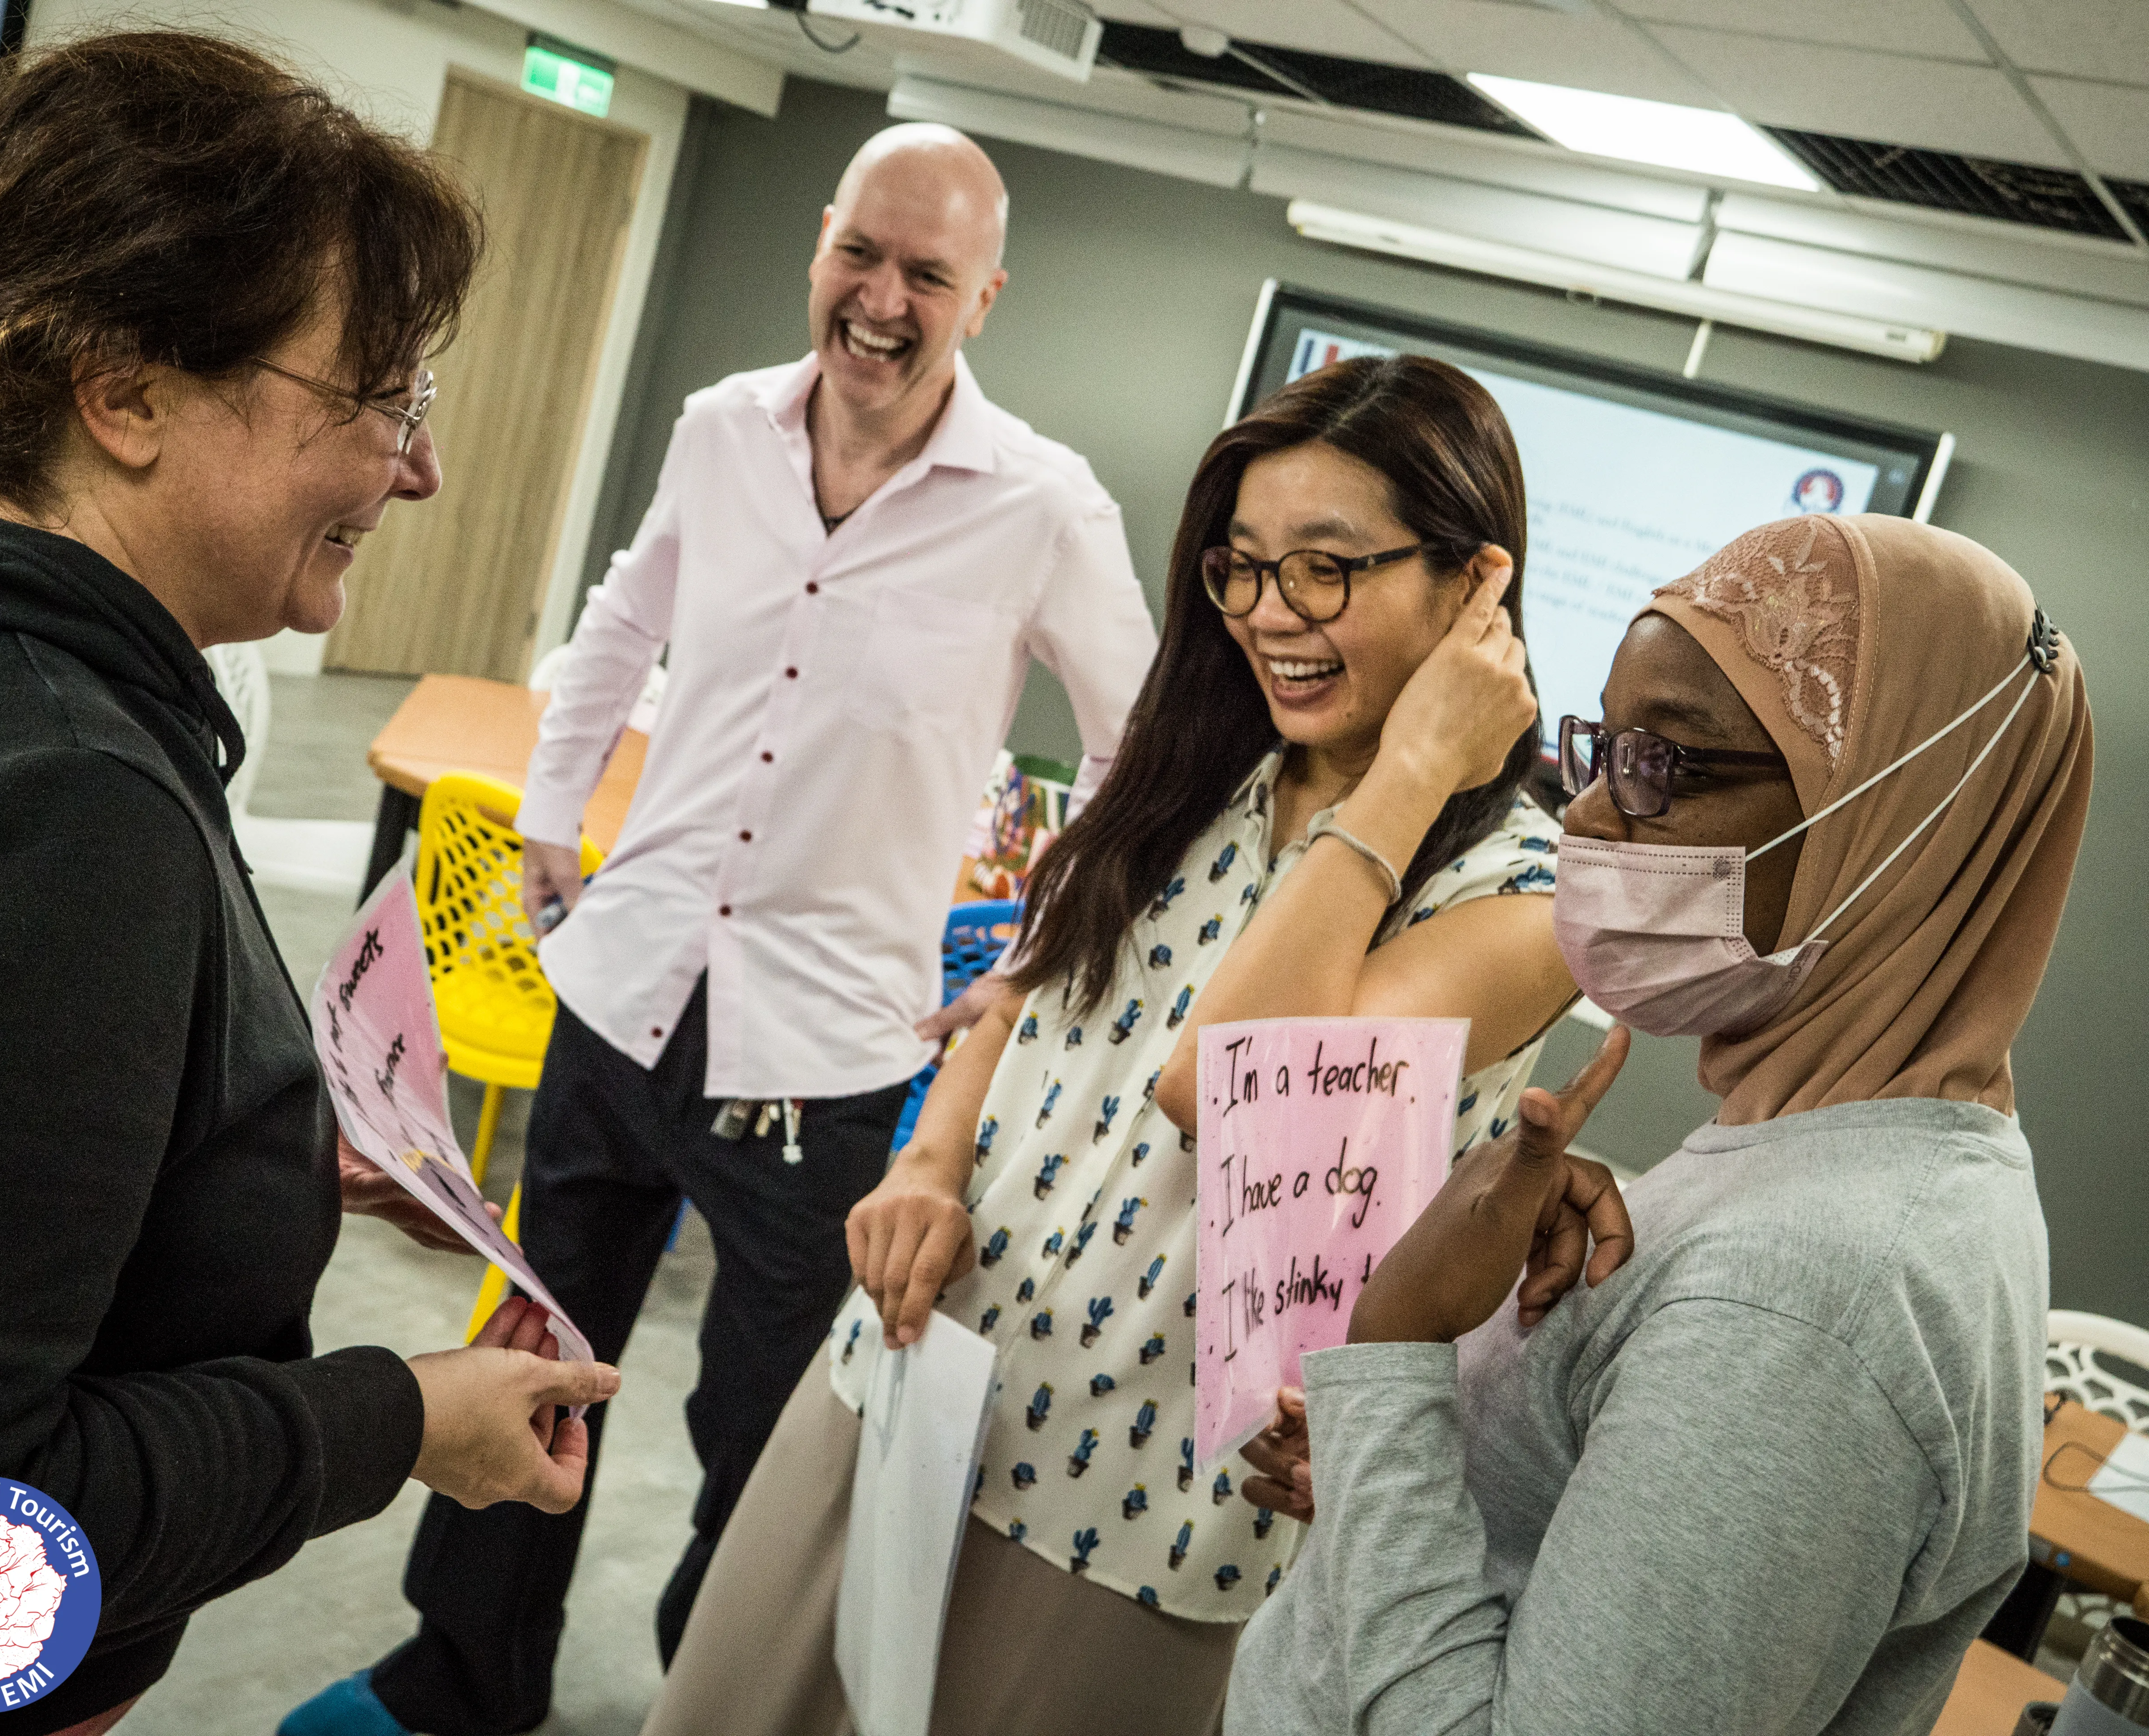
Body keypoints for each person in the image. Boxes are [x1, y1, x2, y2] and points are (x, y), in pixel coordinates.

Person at [283, 122, 1158, 1736]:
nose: (882, 301)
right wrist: (554, 807)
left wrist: (1038, 956)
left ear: (988, 298)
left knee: (764, 1431)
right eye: (861, 255)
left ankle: (719, 1701)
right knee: (530, 1350)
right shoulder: (720, 430)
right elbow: (625, 613)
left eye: (928, 274)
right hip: (622, 994)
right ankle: (463, 1674)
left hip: (820, 1054)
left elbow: (1139, 746)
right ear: (821, 243)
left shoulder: (1040, 505)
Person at [0, 32, 618, 1736]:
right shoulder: (63, 803)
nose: (418, 470)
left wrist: (222, 1143)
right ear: (121, 394)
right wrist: (397, 1422)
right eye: (375, 400)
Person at [641, 354, 1580, 1736]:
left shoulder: (1533, 897)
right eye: (1243, 568)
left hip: (1134, 1511)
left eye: (1327, 569)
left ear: (1473, 584)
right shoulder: (1204, 762)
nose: (1273, 616)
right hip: (917, 1376)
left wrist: (1413, 774)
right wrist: (931, 1167)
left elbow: (1233, 1086)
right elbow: (1029, 984)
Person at [1227, 513, 2089, 1733]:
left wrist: (1400, 1342)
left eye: (1668, 766)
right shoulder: (1846, 1150)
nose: (1585, 818)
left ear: (1900, 820)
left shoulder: (1799, 1304)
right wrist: (1414, 1470)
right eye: (1602, 749)